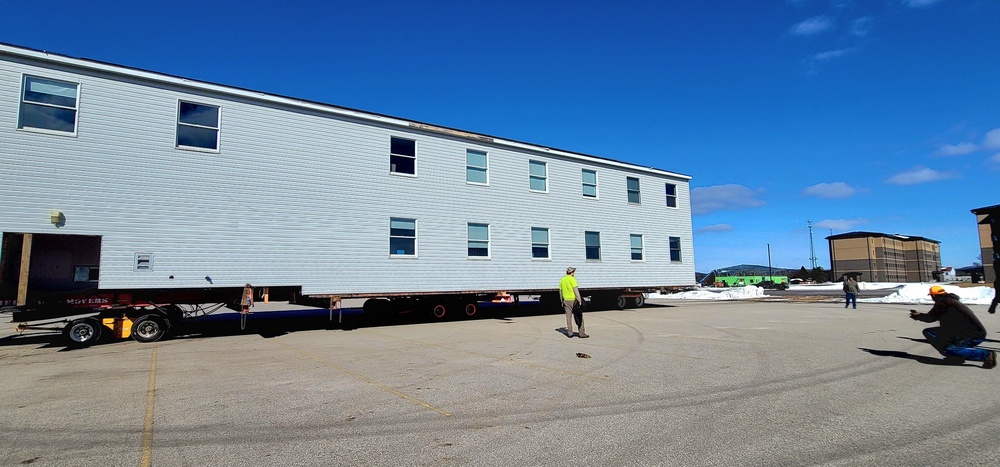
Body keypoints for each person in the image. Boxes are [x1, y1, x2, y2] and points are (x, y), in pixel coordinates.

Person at [909, 285, 996, 369]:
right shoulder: (951, 301)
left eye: (932, 296)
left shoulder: (943, 303)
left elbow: (930, 318)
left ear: (934, 296)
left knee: (948, 349)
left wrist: (918, 316)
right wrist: (920, 316)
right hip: (971, 333)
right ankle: (956, 356)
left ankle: (986, 355)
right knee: (930, 332)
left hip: (971, 335)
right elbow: (935, 316)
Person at [559, 267, 588, 338]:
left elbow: (560, 291)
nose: (574, 273)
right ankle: (581, 333)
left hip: (566, 301)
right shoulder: (572, 279)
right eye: (573, 272)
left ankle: (570, 333)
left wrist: (562, 301)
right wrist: (579, 300)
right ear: (571, 272)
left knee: (568, 317)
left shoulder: (562, 280)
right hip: (574, 301)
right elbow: (576, 290)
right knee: (579, 316)